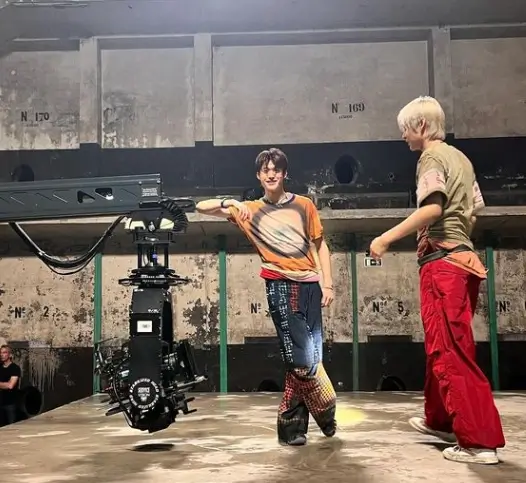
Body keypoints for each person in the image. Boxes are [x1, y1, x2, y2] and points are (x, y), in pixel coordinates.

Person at [369, 96, 505, 465]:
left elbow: (432, 208)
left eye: (405, 129)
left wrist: (385, 238)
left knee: (451, 353)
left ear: (422, 126)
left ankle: (479, 442)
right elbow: (474, 211)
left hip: (442, 264)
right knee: (439, 347)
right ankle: (441, 421)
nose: (403, 136)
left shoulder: (430, 158)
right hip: (462, 260)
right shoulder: (462, 160)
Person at [196, 147, 337, 446]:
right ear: (259, 176)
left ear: (284, 173)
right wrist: (230, 202)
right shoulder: (249, 210)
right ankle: (325, 413)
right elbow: (201, 207)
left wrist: (328, 284)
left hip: (311, 285)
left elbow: (320, 245)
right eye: (266, 170)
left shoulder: (304, 205)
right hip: (280, 285)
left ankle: (293, 429)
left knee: (312, 358)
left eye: (276, 169)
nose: (271, 174)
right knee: (302, 361)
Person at [0, 344, 21, 426]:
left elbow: (10, 386)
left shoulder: (15, 368)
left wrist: (5, 385)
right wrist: (4, 384)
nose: (2, 355)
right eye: (0, 352)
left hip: (10, 404)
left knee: (11, 428)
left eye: (4, 352)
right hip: (1, 403)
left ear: (9, 355)